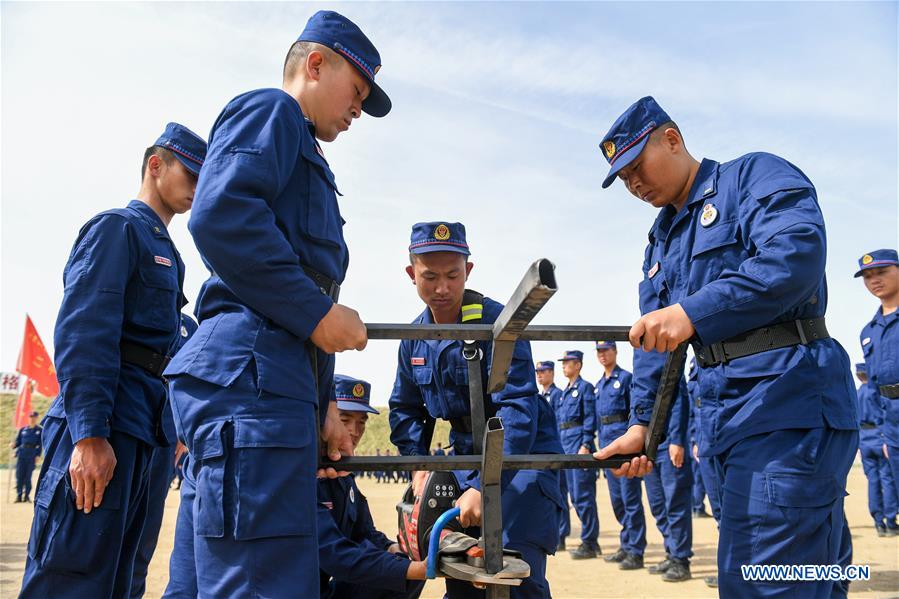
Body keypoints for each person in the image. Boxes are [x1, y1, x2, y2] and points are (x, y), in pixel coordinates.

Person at [161, 11, 391, 597]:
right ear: (316, 64)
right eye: (357, 91)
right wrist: (317, 315)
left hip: (266, 378)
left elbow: (304, 292)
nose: (358, 109)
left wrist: (321, 409)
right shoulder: (274, 111)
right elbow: (222, 215)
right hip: (253, 379)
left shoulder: (299, 141)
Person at [593, 96, 858, 598]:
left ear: (671, 138)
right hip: (720, 420)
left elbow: (794, 256)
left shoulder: (751, 177)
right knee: (808, 577)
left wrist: (693, 313)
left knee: (760, 583)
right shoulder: (661, 239)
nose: (634, 184)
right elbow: (654, 342)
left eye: (636, 166)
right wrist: (642, 426)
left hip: (785, 407)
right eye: (623, 180)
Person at [21, 122, 206, 598]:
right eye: (190, 173)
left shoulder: (169, 251)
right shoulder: (118, 228)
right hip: (108, 422)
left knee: (123, 578)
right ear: (155, 164)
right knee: (72, 575)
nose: (196, 188)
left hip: (144, 431)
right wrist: (89, 433)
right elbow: (85, 330)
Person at [389, 221, 564, 598]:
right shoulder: (413, 339)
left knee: (516, 574)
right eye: (430, 276)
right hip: (466, 456)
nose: (442, 288)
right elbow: (404, 410)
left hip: (519, 459)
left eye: (453, 275)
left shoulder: (498, 323)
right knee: (464, 575)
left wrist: (487, 486)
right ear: (411, 274)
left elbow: (517, 410)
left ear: (468, 270)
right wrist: (419, 463)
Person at [318, 375, 426, 599]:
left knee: (405, 571)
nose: (354, 431)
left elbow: (364, 531)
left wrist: (392, 549)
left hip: (326, 584)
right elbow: (332, 554)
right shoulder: (308, 473)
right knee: (406, 572)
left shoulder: (343, 474)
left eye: (361, 422)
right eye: (345, 419)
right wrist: (413, 569)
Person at [130, 313, 198, 598]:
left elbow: (193, 381)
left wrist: (183, 432)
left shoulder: (190, 327)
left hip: (164, 443)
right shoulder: (132, 304)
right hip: (125, 428)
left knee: (143, 538)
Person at [592, 341, 646, 571]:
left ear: (615, 351)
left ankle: (636, 550)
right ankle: (626, 544)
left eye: (606, 350)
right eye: (599, 351)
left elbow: (634, 413)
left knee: (630, 499)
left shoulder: (625, 378)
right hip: (606, 445)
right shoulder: (599, 385)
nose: (603, 355)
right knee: (617, 500)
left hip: (624, 446)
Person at [856, 249, 899, 506]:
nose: (874, 280)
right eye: (867, 276)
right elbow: (873, 388)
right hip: (892, 429)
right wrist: (884, 434)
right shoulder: (869, 332)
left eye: (881, 272)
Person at [641, 378, 693, 582]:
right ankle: (671, 553)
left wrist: (678, 440)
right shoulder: (645, 375)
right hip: (650, 448)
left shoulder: (671, 369)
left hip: (670, 444)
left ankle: (681, 561)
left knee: (675, 504)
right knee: (657, 505)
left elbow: (680, 404)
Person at [554, 350, 600, 559]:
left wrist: (586, 444)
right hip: (566, 447)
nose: (564, 366)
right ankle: (588, 541)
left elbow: (590, 418)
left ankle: (590, 542)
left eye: (567, 362)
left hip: (579, 447)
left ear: (578, 365)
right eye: (563, 363)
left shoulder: (585, 388)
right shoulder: (565, 392)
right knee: (572, 496)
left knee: (583, 497)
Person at [854, 362, 899, 536]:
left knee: (873, 481)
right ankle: (890, 521)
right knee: (887, 480)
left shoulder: (856, 394)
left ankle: (878, 521)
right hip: (880, 438)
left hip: (864, 440)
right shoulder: (876, 392)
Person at [536, 360, 570, 551]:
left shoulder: (558, 395)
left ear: (551, 373)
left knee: (559, 492)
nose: (540, 375)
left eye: (543, 371)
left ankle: (562, 535)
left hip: (558, 447)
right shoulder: (541, 396)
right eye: (538, 372)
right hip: (545, 452)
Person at [12, 409, 42, 503]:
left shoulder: (39, 430)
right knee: (19, 476)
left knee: (28, 476)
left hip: (31, 455)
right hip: (21, 454)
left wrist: (38, 455)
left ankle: (27, 496)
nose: (32, 419)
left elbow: (40, 444)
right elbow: (18, 442)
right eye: (31, 417)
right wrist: (14, 446)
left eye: (34, 417)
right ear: (28, 418)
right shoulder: (23, 430)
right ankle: (19, 495)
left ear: (37, 418)